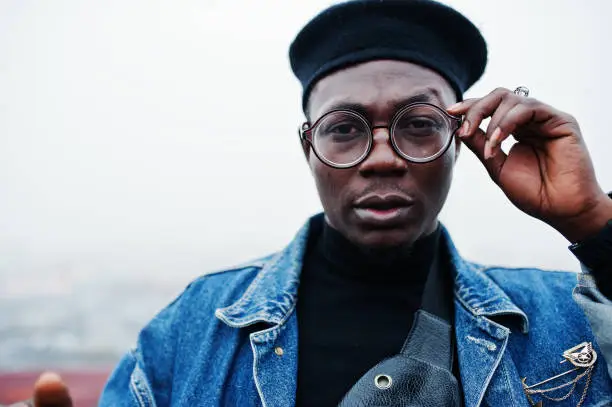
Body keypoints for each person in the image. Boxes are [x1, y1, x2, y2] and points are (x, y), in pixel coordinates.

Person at [18, 0, 612, 406]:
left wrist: (595, 226)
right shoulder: (194, 331)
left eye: (419, 124)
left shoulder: (562, 320)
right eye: (345, 129)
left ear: (462, 141)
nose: (383, 157)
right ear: (309, 148)